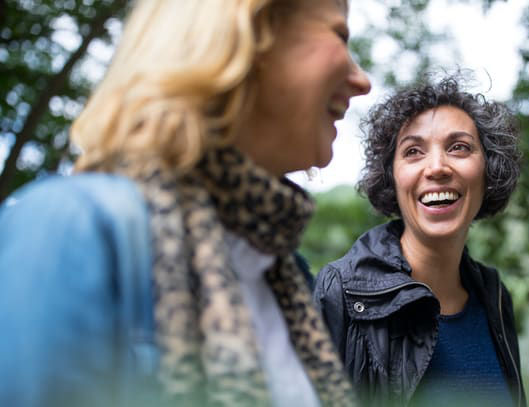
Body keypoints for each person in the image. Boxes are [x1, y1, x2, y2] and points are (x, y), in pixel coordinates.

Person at [0, 0, 370, 406]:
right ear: (247, 34)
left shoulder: (286, 276)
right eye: (339, 34)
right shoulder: (72, 228)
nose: (362, 80)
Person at [313, 75, 526, 407]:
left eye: (459, 147)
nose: (437, 167)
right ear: (392, 179)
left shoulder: (495, 295)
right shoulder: (339, 293)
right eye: (413, 151)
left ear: (488, 171)